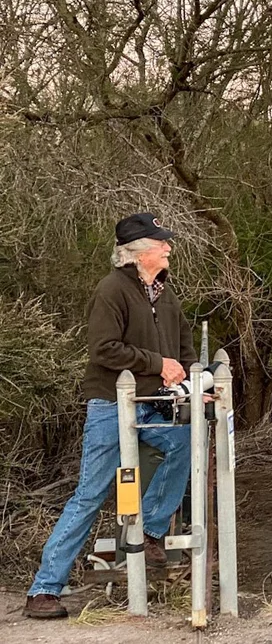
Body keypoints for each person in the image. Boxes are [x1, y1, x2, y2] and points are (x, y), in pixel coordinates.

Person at [24, 214, 195, 620]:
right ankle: (44, 589)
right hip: (109, 404)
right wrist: (159, 363)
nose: (169, 247)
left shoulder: (165, 293)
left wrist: (191, 376)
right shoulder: (111, 290)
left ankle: (150, 533)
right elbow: (104, 349)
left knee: (183, 443)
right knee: (91, 494)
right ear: (137, 252)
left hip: (152, 402)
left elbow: (184, 343)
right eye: (161, 242)